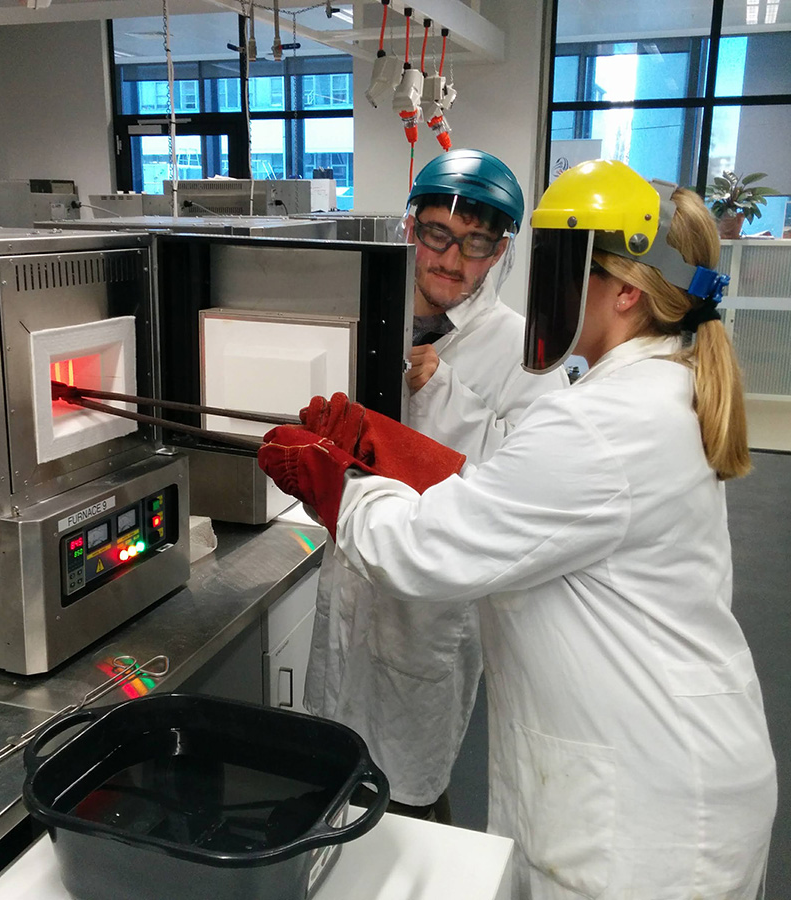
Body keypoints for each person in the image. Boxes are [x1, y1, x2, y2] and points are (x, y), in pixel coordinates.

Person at [261, 159, 778, 899]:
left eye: (568, 268)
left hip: (641, 805)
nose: (552, 290)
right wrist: (392, 447)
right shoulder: (653, 387)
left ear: (626, 291)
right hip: (658, 748)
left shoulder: (602, 423)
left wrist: (337, 481)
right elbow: (514, 500)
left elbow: (421, 549)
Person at [303, 149, 569, 823]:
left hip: (431, 605)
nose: (453, 261)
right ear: (409, 229)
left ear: (501, 250)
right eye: (438, 235)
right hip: (353, 565)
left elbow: (528, 491)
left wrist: (447, 399)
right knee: (329, 763)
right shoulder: (365, 311)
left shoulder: (524, 350)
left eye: (477, 244)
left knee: (411, 788)